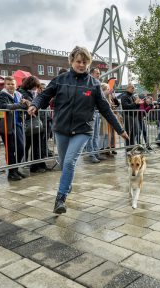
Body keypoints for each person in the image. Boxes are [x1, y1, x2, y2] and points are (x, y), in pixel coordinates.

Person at [28, 46, 128, 214]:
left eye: (85, 62)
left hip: (82, 130)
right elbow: (45, 96)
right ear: (72, 62)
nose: (81, 65)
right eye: (78, 61)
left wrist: (120, 130)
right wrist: (35, 104)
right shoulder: (60, 79)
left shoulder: (94, 84)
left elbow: (106, 109)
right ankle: (67, 185)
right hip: (61, 128)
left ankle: (60, 198)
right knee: (63, 163)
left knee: (69, 162)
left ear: (88, 63)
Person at [0, 76, 30, 181]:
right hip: (7, 125)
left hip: (18, 124)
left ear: (16, 85)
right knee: (11, 150)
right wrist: (19, 105)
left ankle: (15, 169)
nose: (11, 86)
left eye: (13, 84)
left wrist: (20, 105)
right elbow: (3, 106)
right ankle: (11, 173)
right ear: (5, 85)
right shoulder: (2, 95)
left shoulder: (18, 94)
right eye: (8, 84)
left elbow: (25, 106)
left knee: (21, 148)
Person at [19, 76, 47, 173]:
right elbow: (28, 106)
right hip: (28, 121)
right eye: (35, 86)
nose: (36, 88)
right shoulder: (22, 92)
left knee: (38, 144)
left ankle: (38, 164)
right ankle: (31, 165)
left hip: (37, 121)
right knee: (29, 145)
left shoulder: (34, 93)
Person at [121, 83, 143, 150]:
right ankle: (128, 147)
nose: (133, 89)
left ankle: (132, 147)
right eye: (132, 88)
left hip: (134, 116)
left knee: (135, 132)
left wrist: (138, 103)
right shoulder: (124, 96)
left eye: (134, 88)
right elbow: (125, 106)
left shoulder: (133, 96)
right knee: (128, 132)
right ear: (128, 88)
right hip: (128, 116)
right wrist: (135, 103)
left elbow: (135, 106)